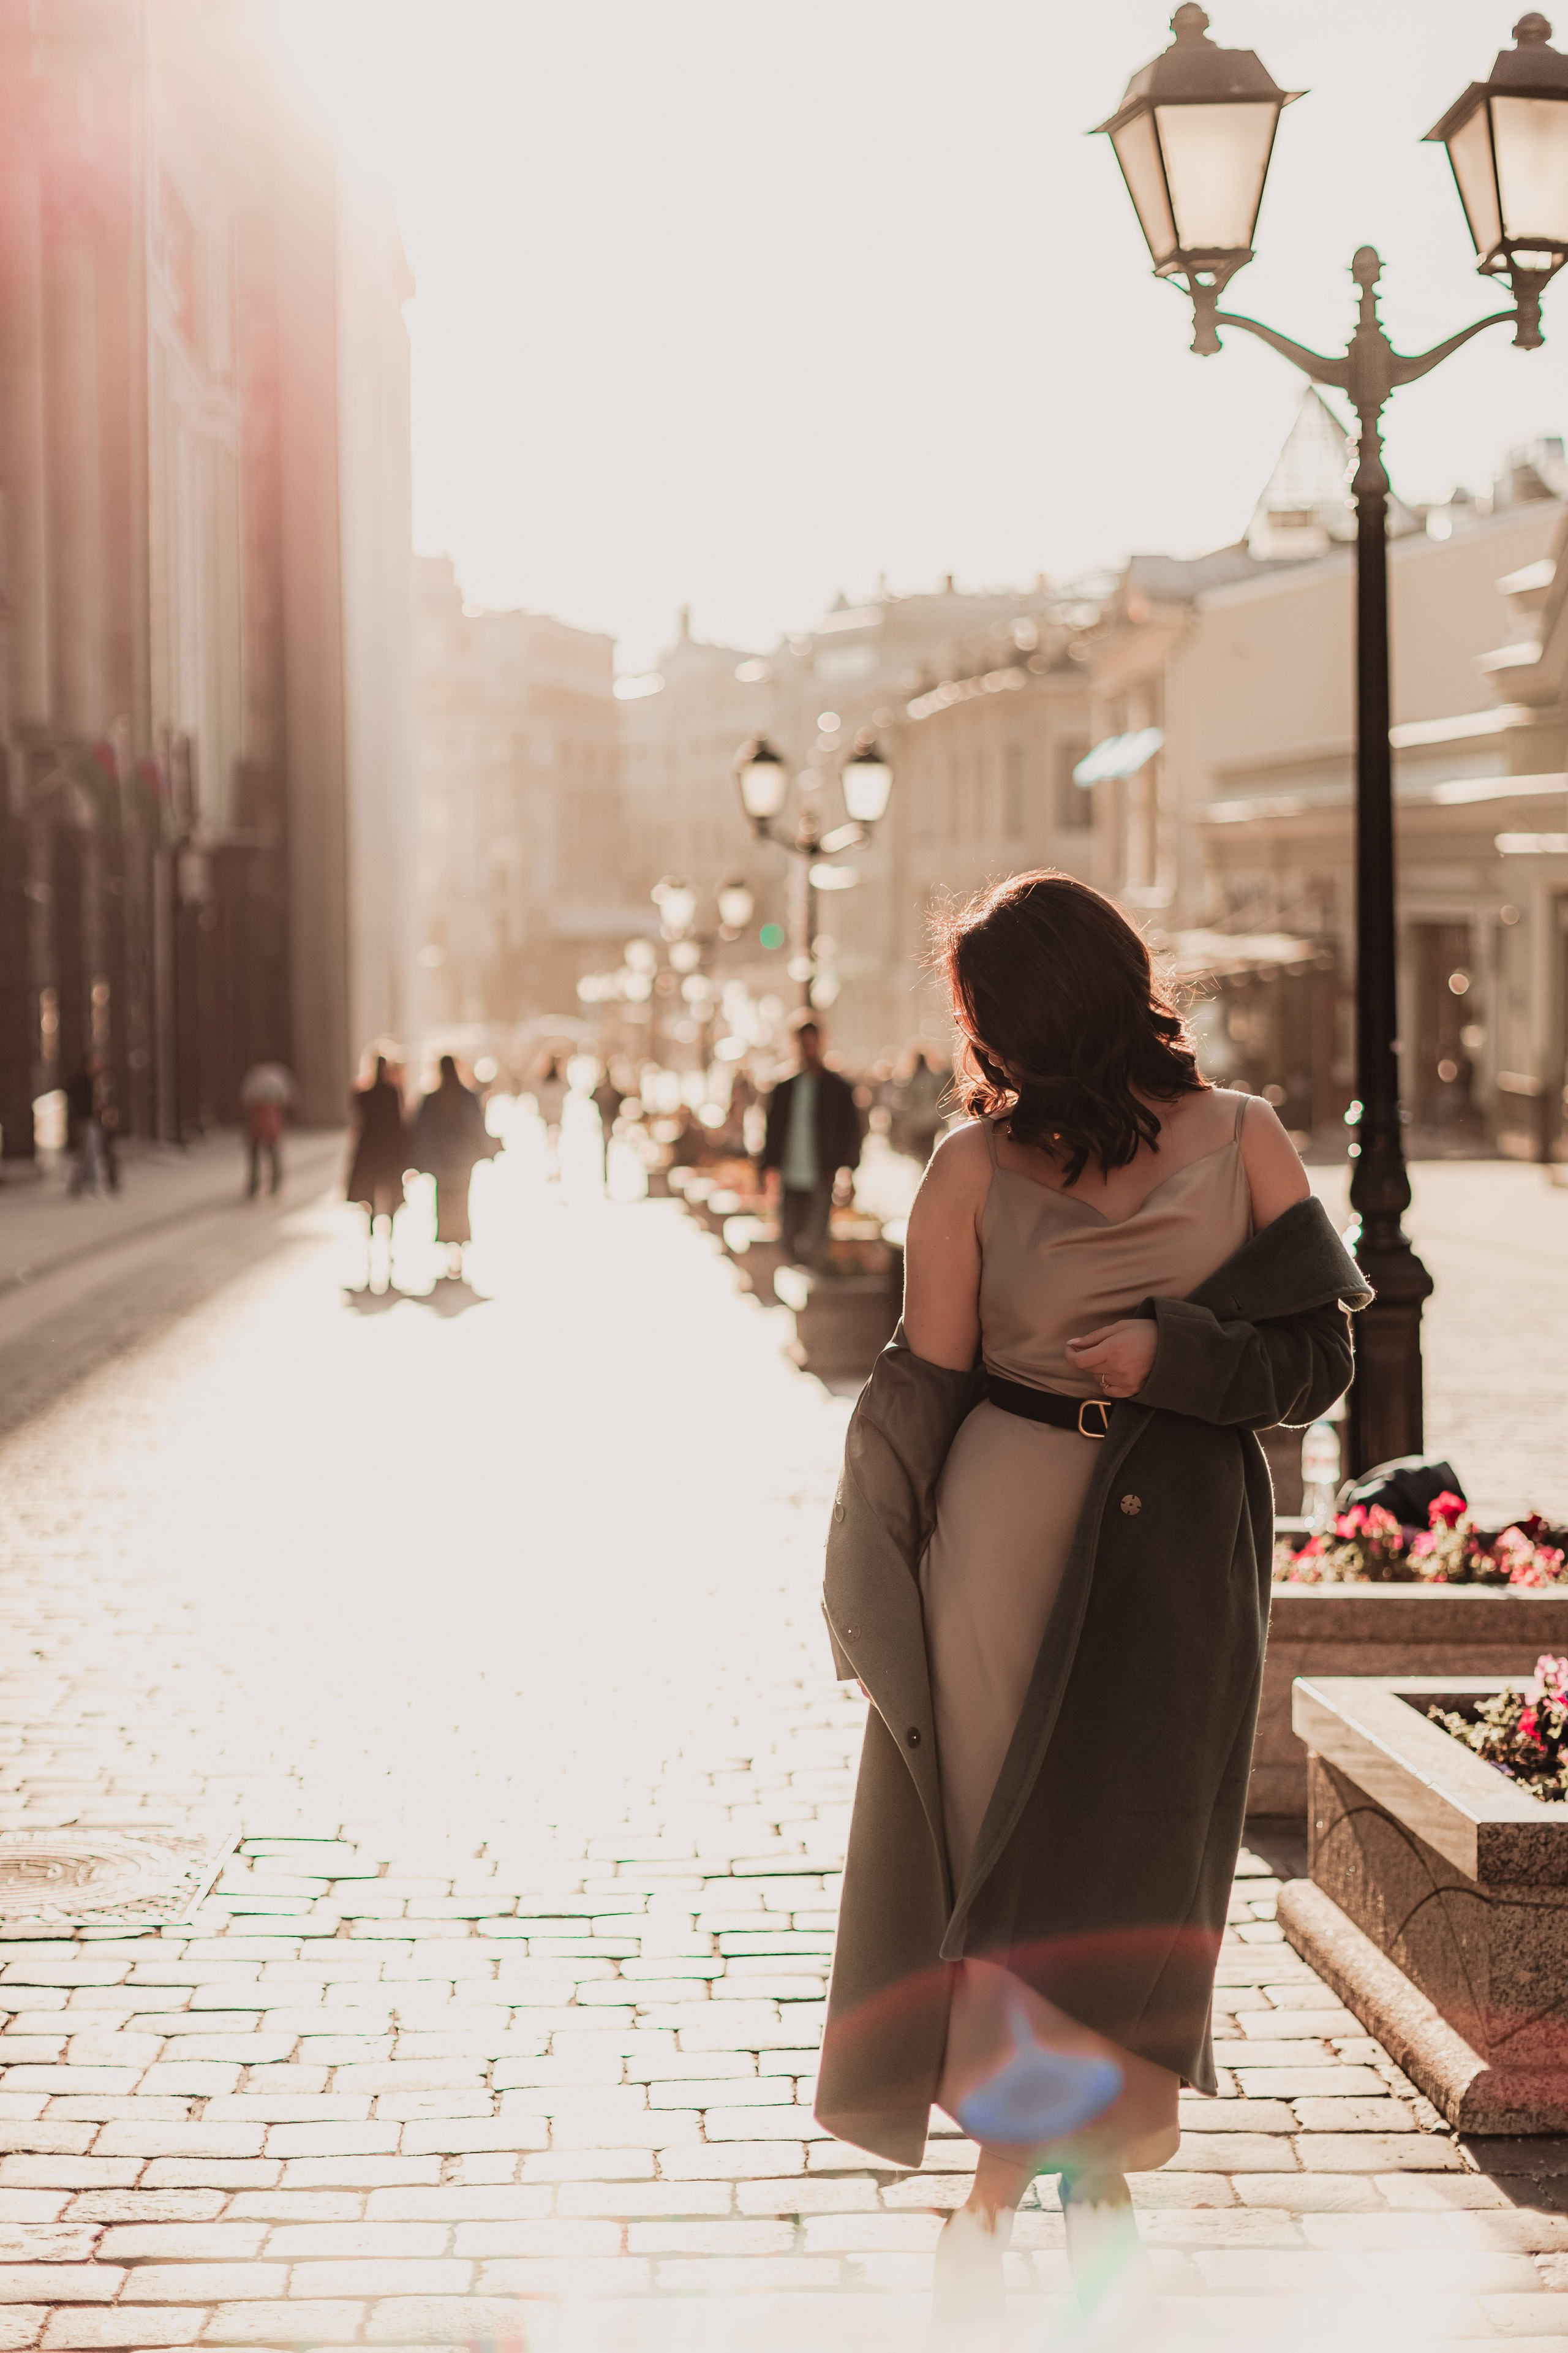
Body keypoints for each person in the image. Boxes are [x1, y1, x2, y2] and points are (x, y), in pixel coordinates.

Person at [812, 872, 1369, 2338]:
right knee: (1014, 1877)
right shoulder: (967, 1171)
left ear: (1030, 1012)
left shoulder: (1244, 1138)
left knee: (1125, 1876)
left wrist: (1168, 1356)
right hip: (997, 1543)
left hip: (1175, 1555)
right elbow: (921, 1393)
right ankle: (1081, 2186)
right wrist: (866, 1582)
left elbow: (1318, 1357)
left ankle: (1004, 2197)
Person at [758, 1019, 864, 1267]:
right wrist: (766, 1168)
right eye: (804, 1044)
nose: (809, 1049)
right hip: (790, 1175)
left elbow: (852, 1133)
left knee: (816, 1240)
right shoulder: (784, 1088)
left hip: (822, 1174)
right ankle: (795, 1285)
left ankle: (812, 1288)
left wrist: (849, 1171)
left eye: (813, 1043)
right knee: (787, 1238)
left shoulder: (838, 1089)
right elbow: (773, 1130)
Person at [410, 1054, 499, 1278]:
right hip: (462, 1163)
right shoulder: (467, 1097)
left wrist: (419, 1161)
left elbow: (421, 1133)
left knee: (443, 1205)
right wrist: (487, 1150)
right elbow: (477, 1126)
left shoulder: (432, 1099)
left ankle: (450, 1249)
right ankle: (457, 1251)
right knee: (461, 1205)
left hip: (441, 1164)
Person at [345, 1054, 408, 1285]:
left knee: (369, 1203)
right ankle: (388, 1247)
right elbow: (400, 1124)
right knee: (390, 1201)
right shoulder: (393, 1092)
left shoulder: (363, 1094)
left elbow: (358, 1123)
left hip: (370, 1152)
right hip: (388, 1154)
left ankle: (374, 1248)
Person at [240, 1060, 296, 1198]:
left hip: (259, 1117)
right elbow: (288, 1096)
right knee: (272, 1152)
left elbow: (246, 1097)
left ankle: (255, 1186)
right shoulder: (278, 1074)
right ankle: (274, 1185)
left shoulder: (255, 1074)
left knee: (257, 1154)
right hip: (271, 1117)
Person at [65, 1055, 109, 1198]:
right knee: (87, 1153)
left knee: (91, 1152)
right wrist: (86, 1108)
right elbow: (73, 1094)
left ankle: (87, 1185)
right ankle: (81, 1186)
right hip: (84, 1119)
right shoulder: (82, 1080)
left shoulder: (92, 1080)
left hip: (91, 1119)